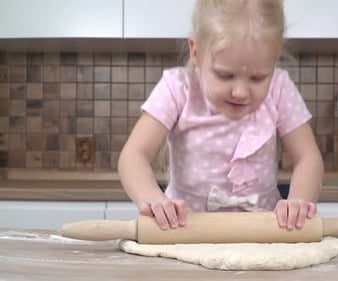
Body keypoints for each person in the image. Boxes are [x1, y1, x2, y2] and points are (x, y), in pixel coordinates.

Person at [118, 0, 324, 232]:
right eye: (225, 75)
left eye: (258, 77)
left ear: (274, 60)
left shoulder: (279, 87)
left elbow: (308, 157)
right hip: (185, 232)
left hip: (262, 235)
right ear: (196, 53)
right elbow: (134, 155)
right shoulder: (177, 88)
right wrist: (153, 199)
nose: (241, 92)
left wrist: (299, 201)